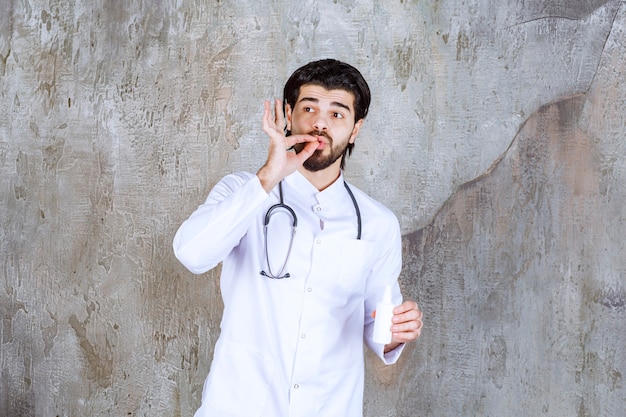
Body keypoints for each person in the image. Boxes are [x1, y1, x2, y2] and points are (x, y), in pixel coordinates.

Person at [173, 58, 423, 417]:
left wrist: (398, 331)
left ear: (355, 129)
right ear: (288, 115)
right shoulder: (242, 192)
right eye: (309, 108)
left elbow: (378, 322)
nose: (320, 123)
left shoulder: (377, 224)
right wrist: (266, 178)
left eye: (338, 114)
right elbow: (191, 254)